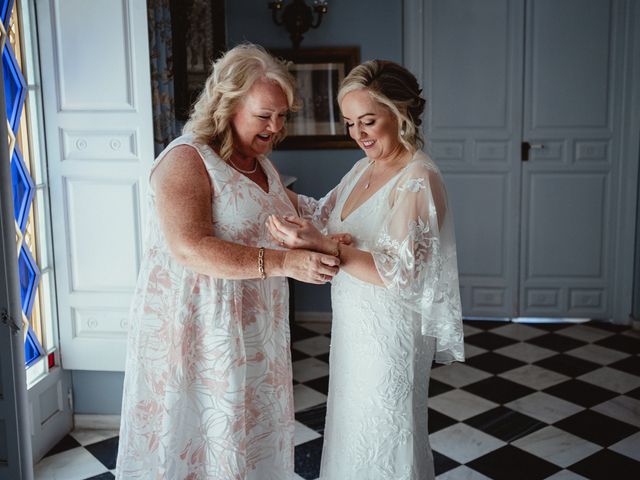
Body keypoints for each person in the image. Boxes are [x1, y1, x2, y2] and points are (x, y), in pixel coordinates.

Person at [115, 43, 340, 480]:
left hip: (255, 333)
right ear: (228, 104)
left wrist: (344, 224)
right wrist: (285, 264)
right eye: (264, 115)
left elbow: (305, 211)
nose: (275, 127)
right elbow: (190, 246)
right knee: (200, 442)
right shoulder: (186, 159)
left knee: (245, 439)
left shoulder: (262, 166)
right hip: (199, 331)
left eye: (282, 116)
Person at [268, 60, 464, 479]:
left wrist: (324, 246)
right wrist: (261, 181)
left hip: (390, 332)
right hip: (355, 328)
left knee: (386, 433)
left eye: (369, 121)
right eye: (350, 122)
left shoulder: (418, 179)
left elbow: (401, 273)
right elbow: (322, 212)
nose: (359, 134)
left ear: (400, 113)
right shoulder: (365, 167)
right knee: (353, 427)